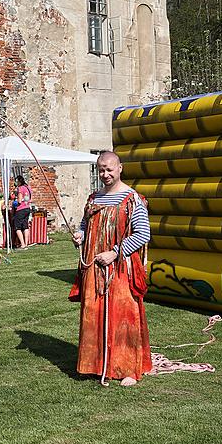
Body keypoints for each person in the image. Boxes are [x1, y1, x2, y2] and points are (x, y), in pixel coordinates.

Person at [71, 151, 152, 387]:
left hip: (120, 268)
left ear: (120, 168)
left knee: (124, 315)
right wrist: (80, 235)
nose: (105, 174)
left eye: (109, 169)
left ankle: (128, 368)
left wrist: (115, 252)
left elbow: (143, 234)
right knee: (94, 312)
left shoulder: (132, 199)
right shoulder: (93, 198)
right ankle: (96, 364)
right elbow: (86, 224)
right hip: (94, 268)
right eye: (101, 170)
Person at [13, 175, 32, 248]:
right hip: (27, 207)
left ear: (18, 181)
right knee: (25, 226)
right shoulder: (28, 187)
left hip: (21, 209)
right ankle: (26, 243)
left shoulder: (20, 188)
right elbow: (29, 198)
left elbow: (19, 201)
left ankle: (23, 244)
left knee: (17, 227)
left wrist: (15, 202)